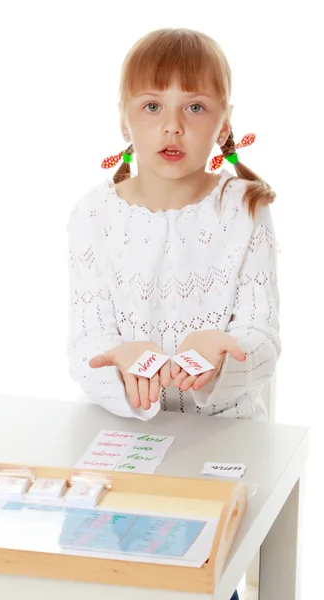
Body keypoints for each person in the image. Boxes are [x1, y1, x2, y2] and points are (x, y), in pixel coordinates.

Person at [67, 30, 281, 598]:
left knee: (197, 573)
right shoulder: (93, 217)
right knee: (94, 572)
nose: (172, 125)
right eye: (153, 106)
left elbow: (262, 337)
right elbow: (84, 346)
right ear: (124, 120)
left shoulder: (244, 210)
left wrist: (221, 355)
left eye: (195, 107)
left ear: (223, 122)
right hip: (123, 440)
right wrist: (120, 360)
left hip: (221, 440)